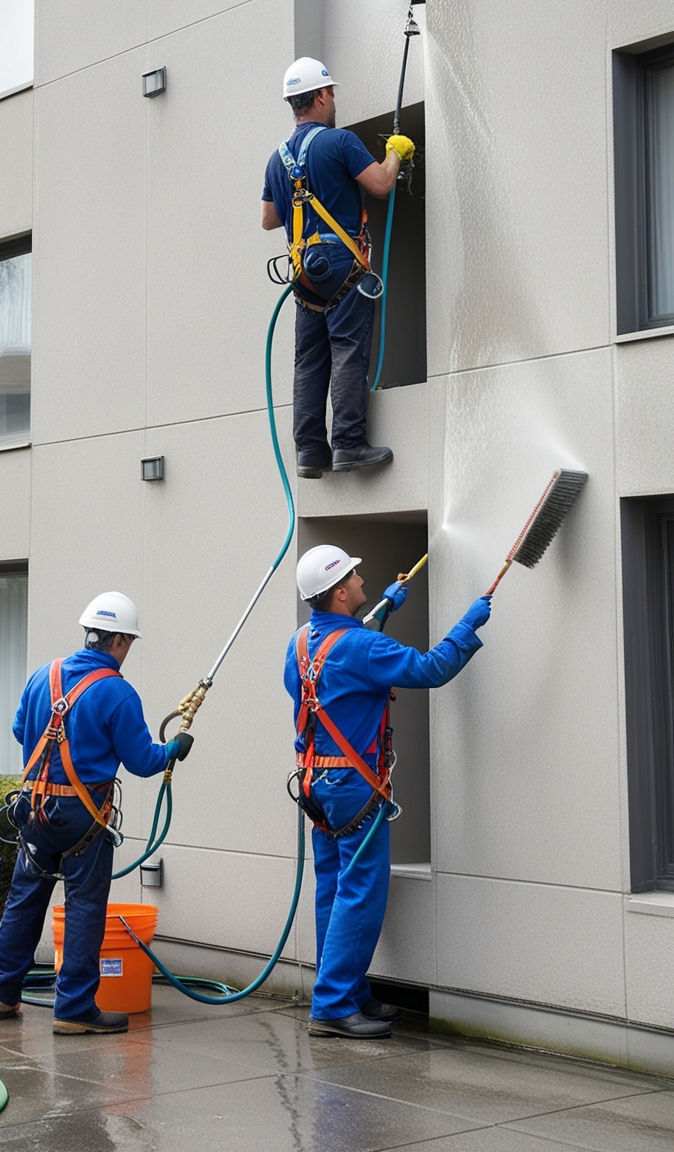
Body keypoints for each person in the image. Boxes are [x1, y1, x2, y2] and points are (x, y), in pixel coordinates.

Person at [285, 544, 491, 1038]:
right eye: (355, 575)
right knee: (359, 894)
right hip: (356, 786)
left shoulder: (300, 643)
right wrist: (468, 626)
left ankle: (347, 992)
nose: (363, 578)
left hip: (317, 785)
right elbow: (430, 668)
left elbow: (347, 654)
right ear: (339, 593)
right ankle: (334, 1006)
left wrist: (386, 605)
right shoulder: (364, 648)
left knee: (332, 891)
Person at [0, 591, 193, 1035]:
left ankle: (1, 991)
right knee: (83, 906)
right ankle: (74, 1008)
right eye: (129, 642)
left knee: (25, 898)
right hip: (83, 816)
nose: (128, 651)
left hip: (34, 809)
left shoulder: (45, 674)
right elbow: (141, 761)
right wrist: (175, 749)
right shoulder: (117, 693)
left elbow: (21, 729)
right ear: (118, 640)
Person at [261, 57, 416, 479]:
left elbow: (269, 218)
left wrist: (303, 192)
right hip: (342, 263)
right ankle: (348, 444)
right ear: (321, 95)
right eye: (332, 94)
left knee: (309, 360)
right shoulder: (341, 141)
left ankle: (310, 452)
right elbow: (381, 185)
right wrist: (394, 154)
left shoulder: (278, 159)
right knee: (347, 347)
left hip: (303, 271)